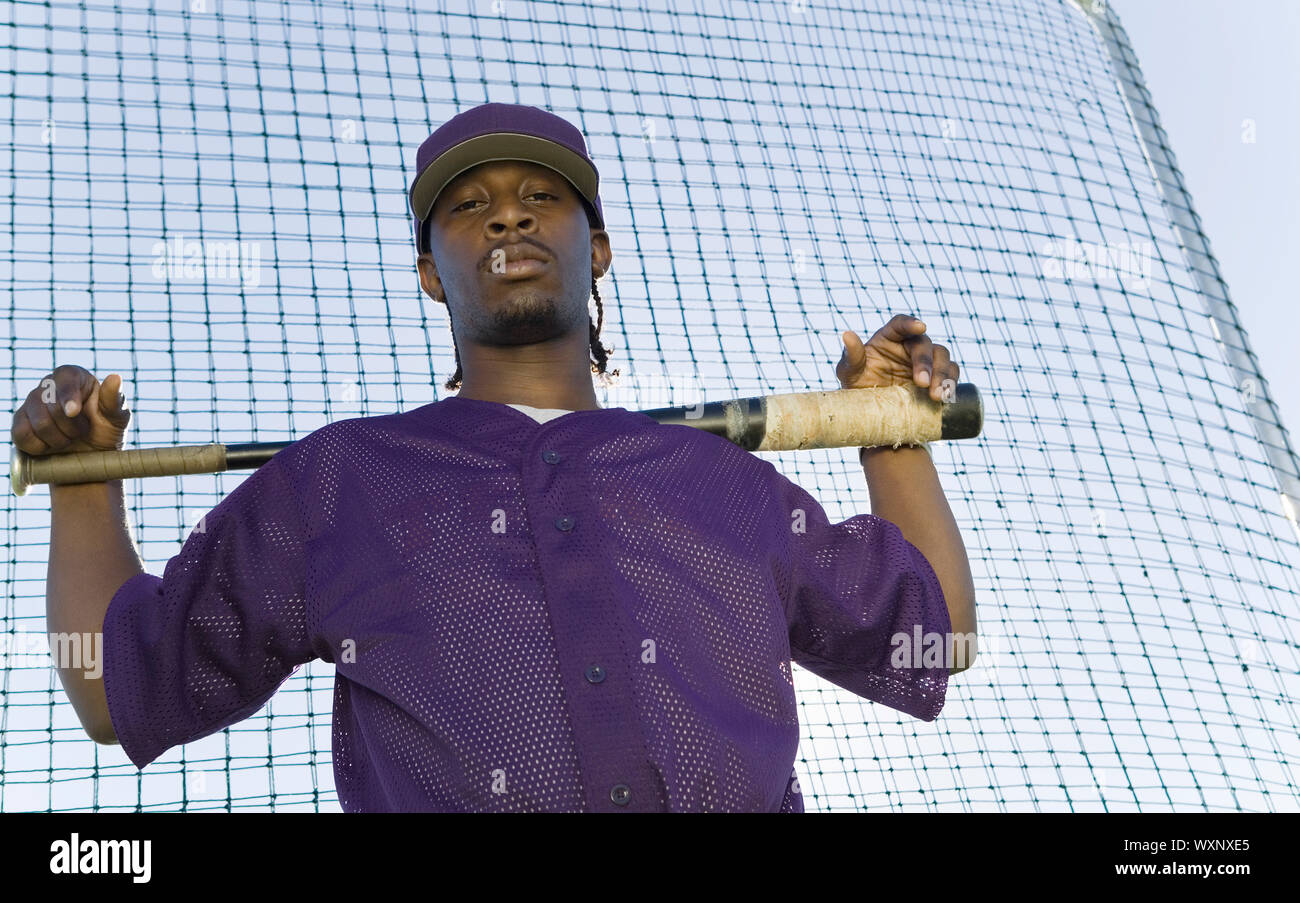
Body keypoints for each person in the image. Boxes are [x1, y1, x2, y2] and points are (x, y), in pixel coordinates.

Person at [12, 102, 976, 812]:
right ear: (431, 270)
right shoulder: (337, 482)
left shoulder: (731, 488)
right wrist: (81, 486)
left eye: (540, 198)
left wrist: (890, 429)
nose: (508, 217)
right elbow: (111, 685)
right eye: (469, 205)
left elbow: (939, 636)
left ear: (595, 248)